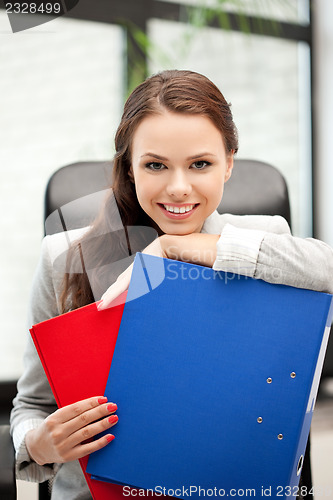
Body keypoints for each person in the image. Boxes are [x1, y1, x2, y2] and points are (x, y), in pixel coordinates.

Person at [10, 69, 333, 500]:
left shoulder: (264, 237)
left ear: (229, 162)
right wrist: (39, 444)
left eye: (200, 164)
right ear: (129, 165)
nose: (178, 188)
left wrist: (187, 248)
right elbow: (31, 406)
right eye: (155, 165)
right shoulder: (64, 258)